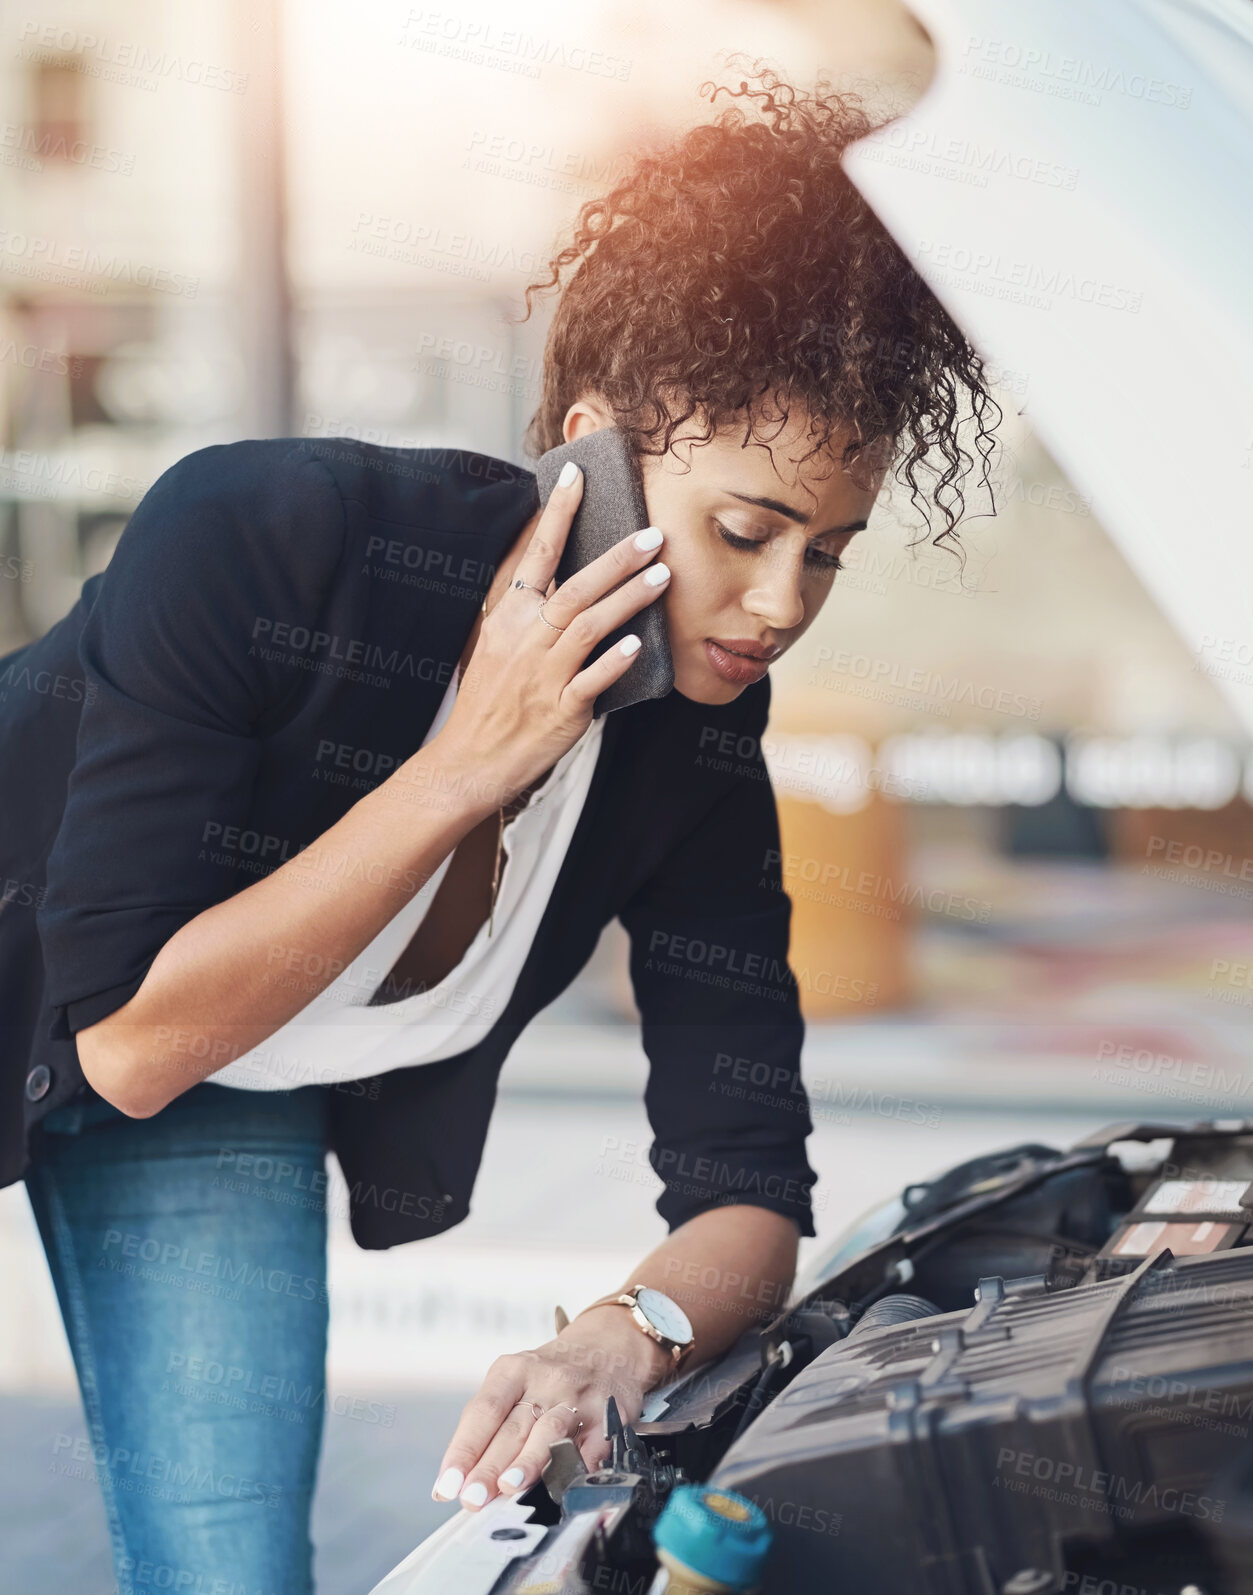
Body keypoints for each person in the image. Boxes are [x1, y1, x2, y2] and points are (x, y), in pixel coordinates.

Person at [0, 68, 997, 1594]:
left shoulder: (694, 732)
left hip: (222, 1076)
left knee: (231, 1570)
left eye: (829, 555)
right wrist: (463, 766)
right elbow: (127, 1032)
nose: (783, 605)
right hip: (105, 997)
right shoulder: (267, 538)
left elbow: (749, 1183)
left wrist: (627, 1330)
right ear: (592, 446)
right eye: (744, 531)